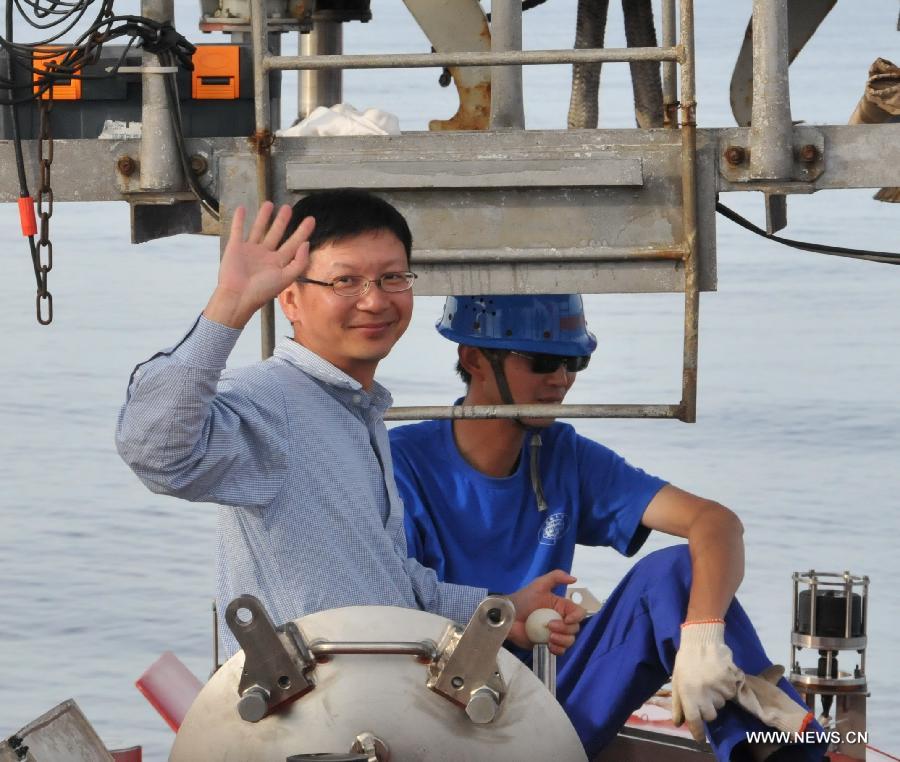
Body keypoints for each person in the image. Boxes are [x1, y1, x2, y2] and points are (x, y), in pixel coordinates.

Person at [115, 192, 584, 658]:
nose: (374, 301)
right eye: (345, 281)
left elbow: (390, 582)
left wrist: (502, 609)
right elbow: (158, 451)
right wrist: (230, 304)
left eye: (392, 278)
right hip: (312, 709)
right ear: (291, 300)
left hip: (377, 694)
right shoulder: (267, 398)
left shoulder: (357, 411)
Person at [390, 294, 825, 762]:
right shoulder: (400, 467)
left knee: (674, 573)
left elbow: (714, 523)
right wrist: (502, 623)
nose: (561, 380)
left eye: (574, 361)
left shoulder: (564, 455)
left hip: (550, 702)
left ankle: (788, 752)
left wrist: (701, 638)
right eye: (542, 362)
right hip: (437, 718)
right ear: (473, 359)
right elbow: (386, 610)